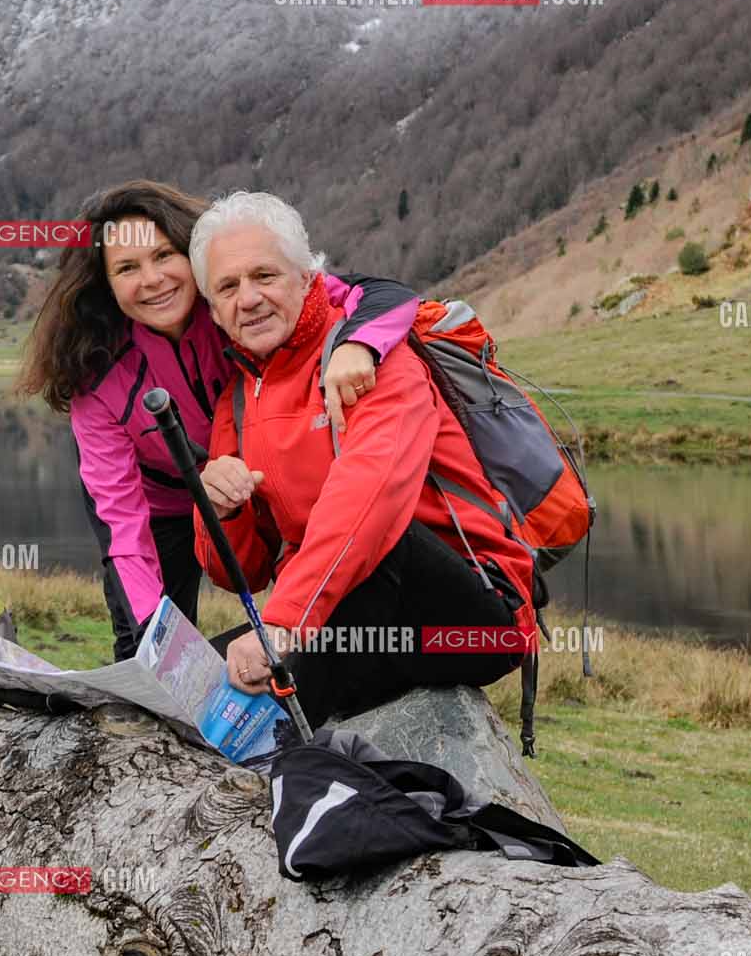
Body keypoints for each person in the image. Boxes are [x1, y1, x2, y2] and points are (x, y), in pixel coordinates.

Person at [16, 181, 419, 660]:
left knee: (309, 603)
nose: (152, 280)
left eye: (164, 256)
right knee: (145, 640)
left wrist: (360, 343)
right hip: (156, 507)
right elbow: (123, 528)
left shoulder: (235, 302)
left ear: (193, 257)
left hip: (246, 481)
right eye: (127, 268)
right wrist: (151, 634)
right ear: (106, 283)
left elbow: (377, 295)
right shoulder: (95, 371)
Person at [187, 191, 536, 724]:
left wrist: (282, 627)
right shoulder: (236, 398)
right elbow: (241, 574)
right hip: (346, 620)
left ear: (308, 279)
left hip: (473, 620)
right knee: (200, 676)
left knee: (378, 538)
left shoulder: (370, 358)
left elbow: (365, 505)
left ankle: (275, 758)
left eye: (265, 276)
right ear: (213, 309)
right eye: (228, 287)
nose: (249, 298)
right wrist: (219, 509)